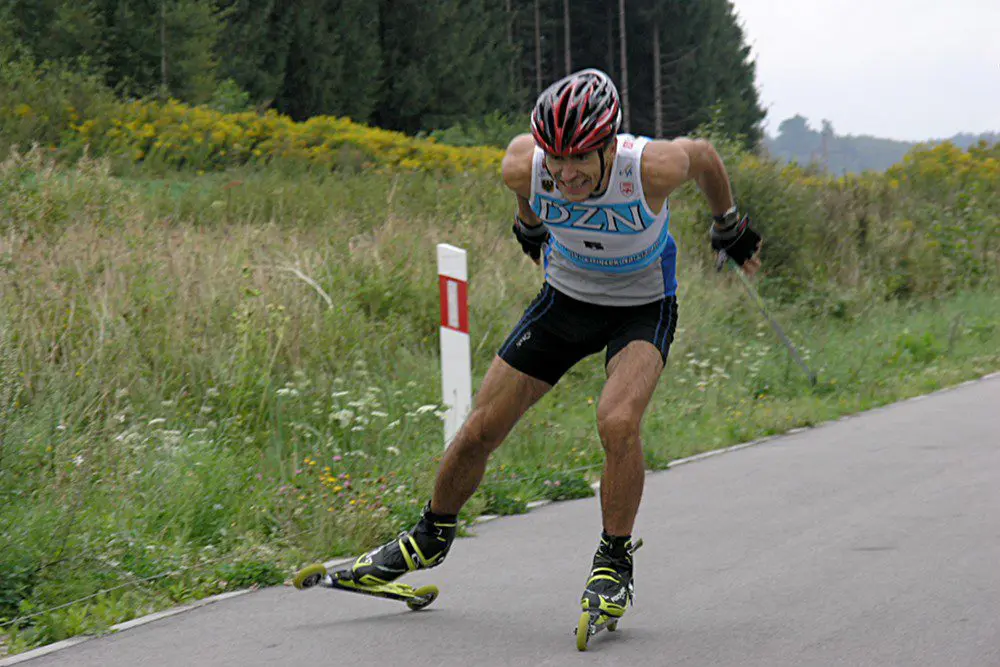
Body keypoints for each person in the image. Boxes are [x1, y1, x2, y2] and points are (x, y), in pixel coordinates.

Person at [339, 68, 762, 623]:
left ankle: (614, 561)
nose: (566, 174)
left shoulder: (651, 168)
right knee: (480, 430)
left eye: (581, 159)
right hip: (565, 300)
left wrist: (726, 225)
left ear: (609, 146)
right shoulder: (523, 163)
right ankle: (429, 536)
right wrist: (529, 224)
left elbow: (705, 155)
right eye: (556, 160)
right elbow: (524, 189)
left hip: (642, 305)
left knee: (617, 421)